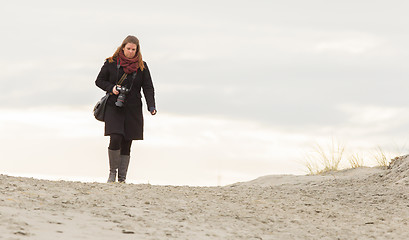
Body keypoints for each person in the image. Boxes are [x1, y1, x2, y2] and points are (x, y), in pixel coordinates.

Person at [95, 35, 156, 183]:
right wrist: (112, 88)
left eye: (133, 49)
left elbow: (148, 87)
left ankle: (122, 178)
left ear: (137, 50)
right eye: (128, 48)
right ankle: (112, 174)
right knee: (115, 137)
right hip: (114, 106)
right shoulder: (111, 63)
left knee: (127, 141)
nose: (130, 51)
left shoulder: (142, 66)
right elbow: (99, 81)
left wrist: (151, 106)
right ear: (123, 47)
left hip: (133, 107)